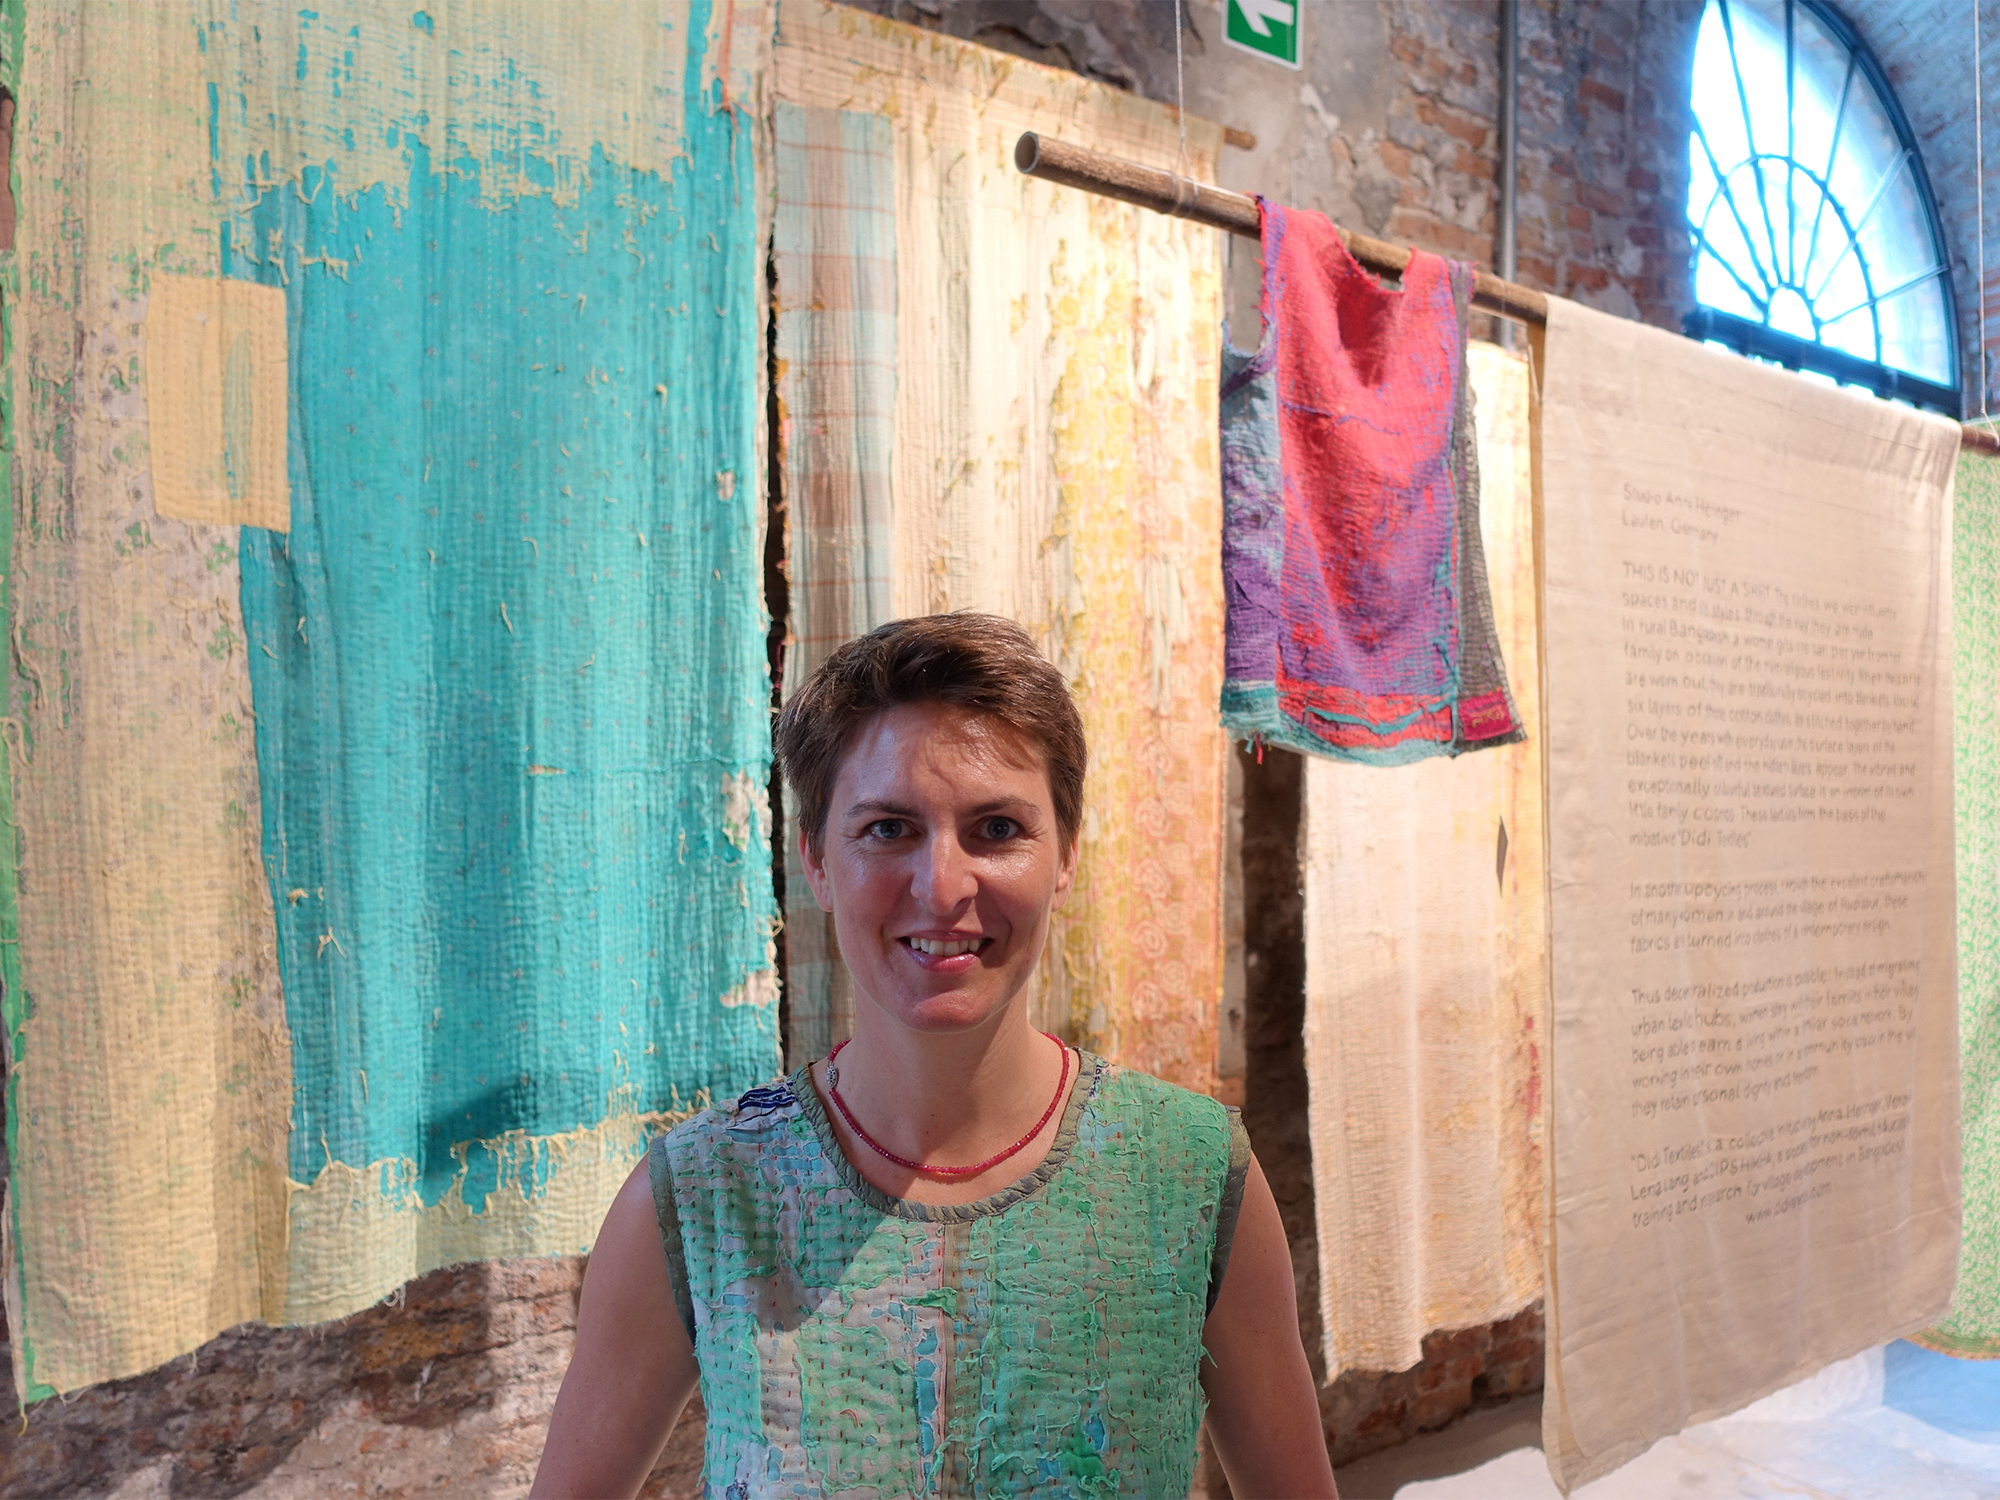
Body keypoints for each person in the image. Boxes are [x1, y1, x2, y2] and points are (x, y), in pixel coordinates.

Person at [532, 613, 1337, 1498]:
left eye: (997, 828)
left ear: (1066, 853)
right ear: (816, 860)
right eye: (888, 829)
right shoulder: (702, 1196)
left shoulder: (1190, 1176)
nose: (944, 887)